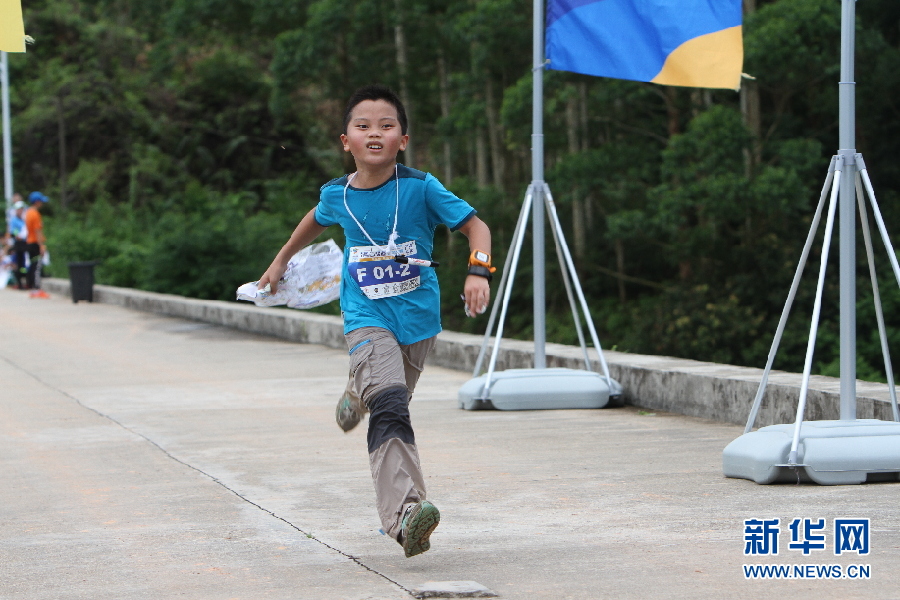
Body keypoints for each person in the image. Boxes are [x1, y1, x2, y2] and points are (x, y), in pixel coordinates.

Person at [258, 85, 494, 558]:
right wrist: (282, 260)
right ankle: (406, 516)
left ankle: (355, 389)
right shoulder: (338, 195)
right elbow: (314, 218)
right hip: (364, 315)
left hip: (417, 319)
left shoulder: (422, 188)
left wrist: (478, 269)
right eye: (363, 126)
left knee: (389, 399)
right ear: (345, 140)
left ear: (402, 140)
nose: (374, 133)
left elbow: (476, 226)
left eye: (386, 126)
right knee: (390, 406)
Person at [24, 191, 49, 296]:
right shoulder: (35, 214)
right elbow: (37, 230)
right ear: (37, 202)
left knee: (32, 266)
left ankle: (32, 288)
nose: (42, 204)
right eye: (41, 202)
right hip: (35, 242)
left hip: (29, 241)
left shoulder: (28, 212)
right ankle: (37, 289)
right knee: (37, 266)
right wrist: (41, 245)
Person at [7, 197, 28, 289]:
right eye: (19, 209)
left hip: (25, 242)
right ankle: (19, 282)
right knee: (18, 262)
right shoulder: (14, 220)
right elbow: (13, 231)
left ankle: (25, 280)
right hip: (18, 243)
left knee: (24, 263)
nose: (20, 211)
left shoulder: (24, 219)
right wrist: (17, 235)